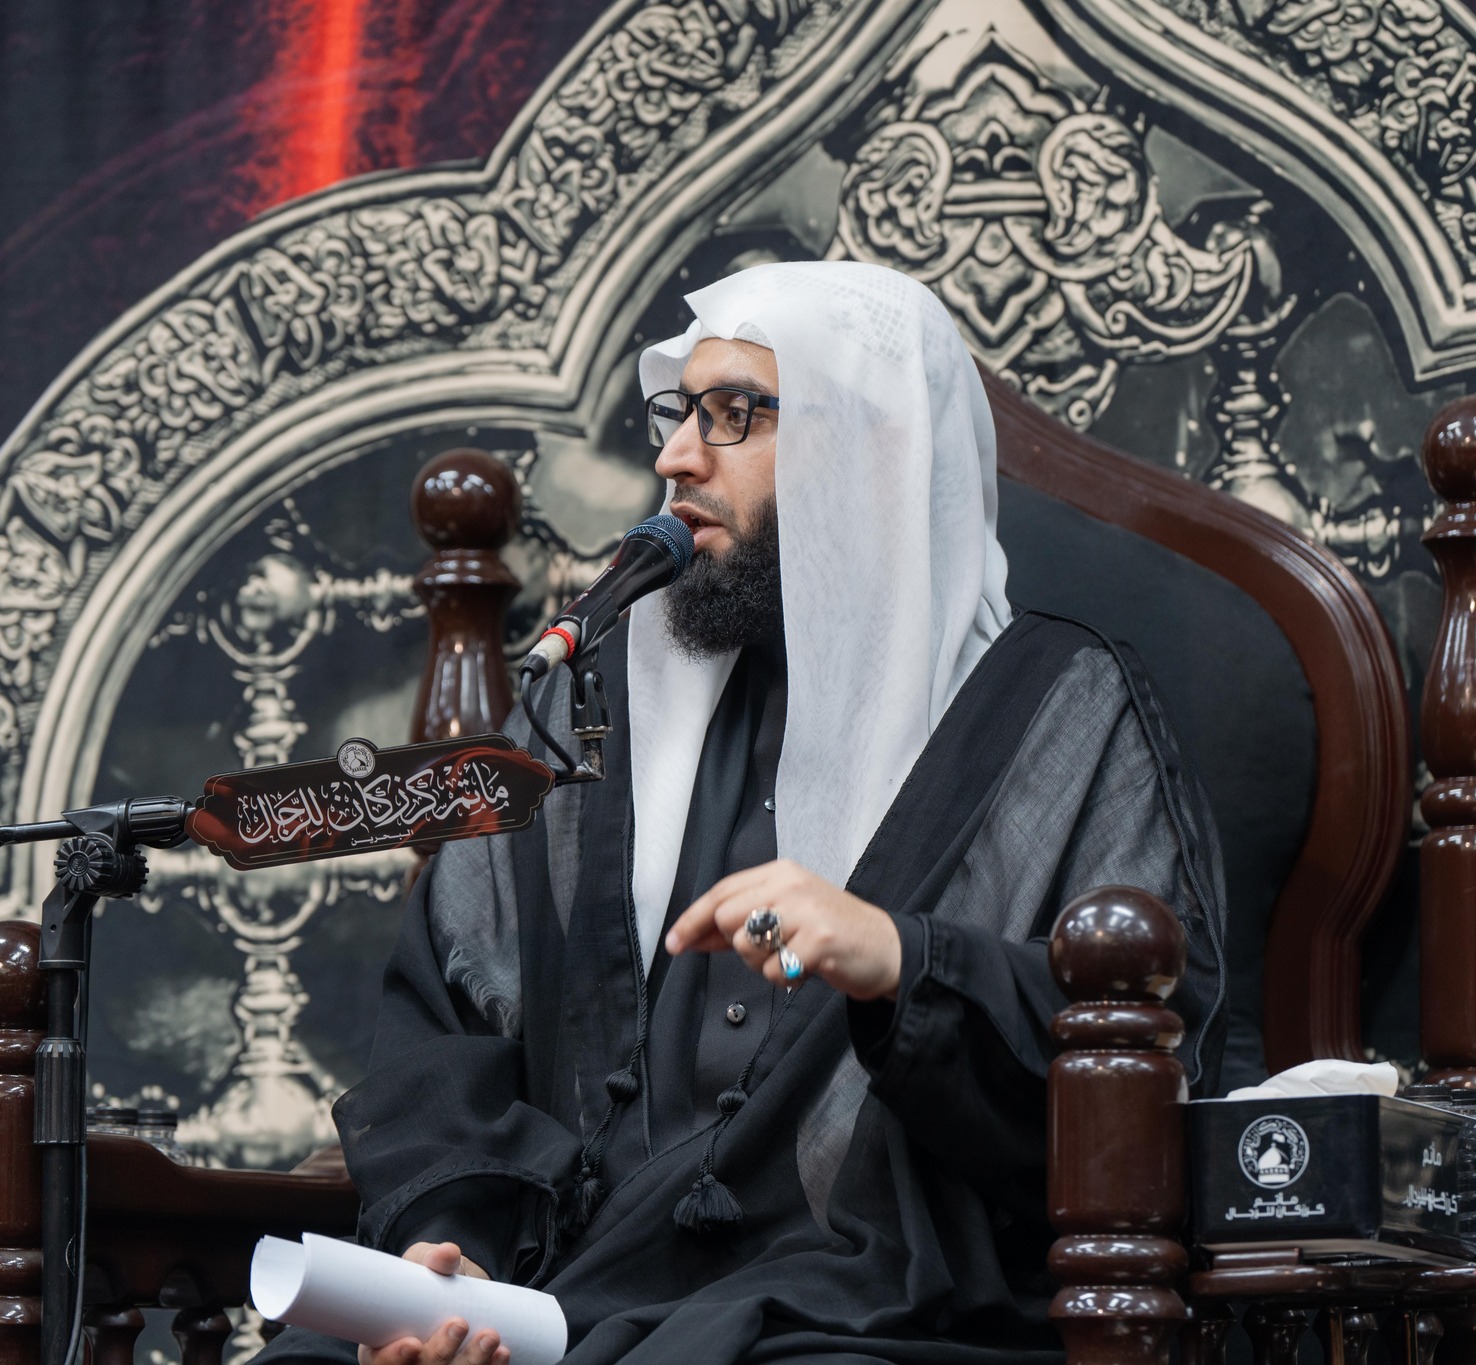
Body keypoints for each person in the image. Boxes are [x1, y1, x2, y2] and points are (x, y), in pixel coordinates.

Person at [257, 261, 1226, 1365]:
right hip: (559, 1288)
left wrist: (901, 960)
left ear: (870, 450)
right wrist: (451, 1251)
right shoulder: (592, 708)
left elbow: (1137, 1052)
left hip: (861, 1300)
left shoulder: (1060, 713)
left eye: (735, 415)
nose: (675, 457)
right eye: (680, 413)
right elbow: (442, 1027)